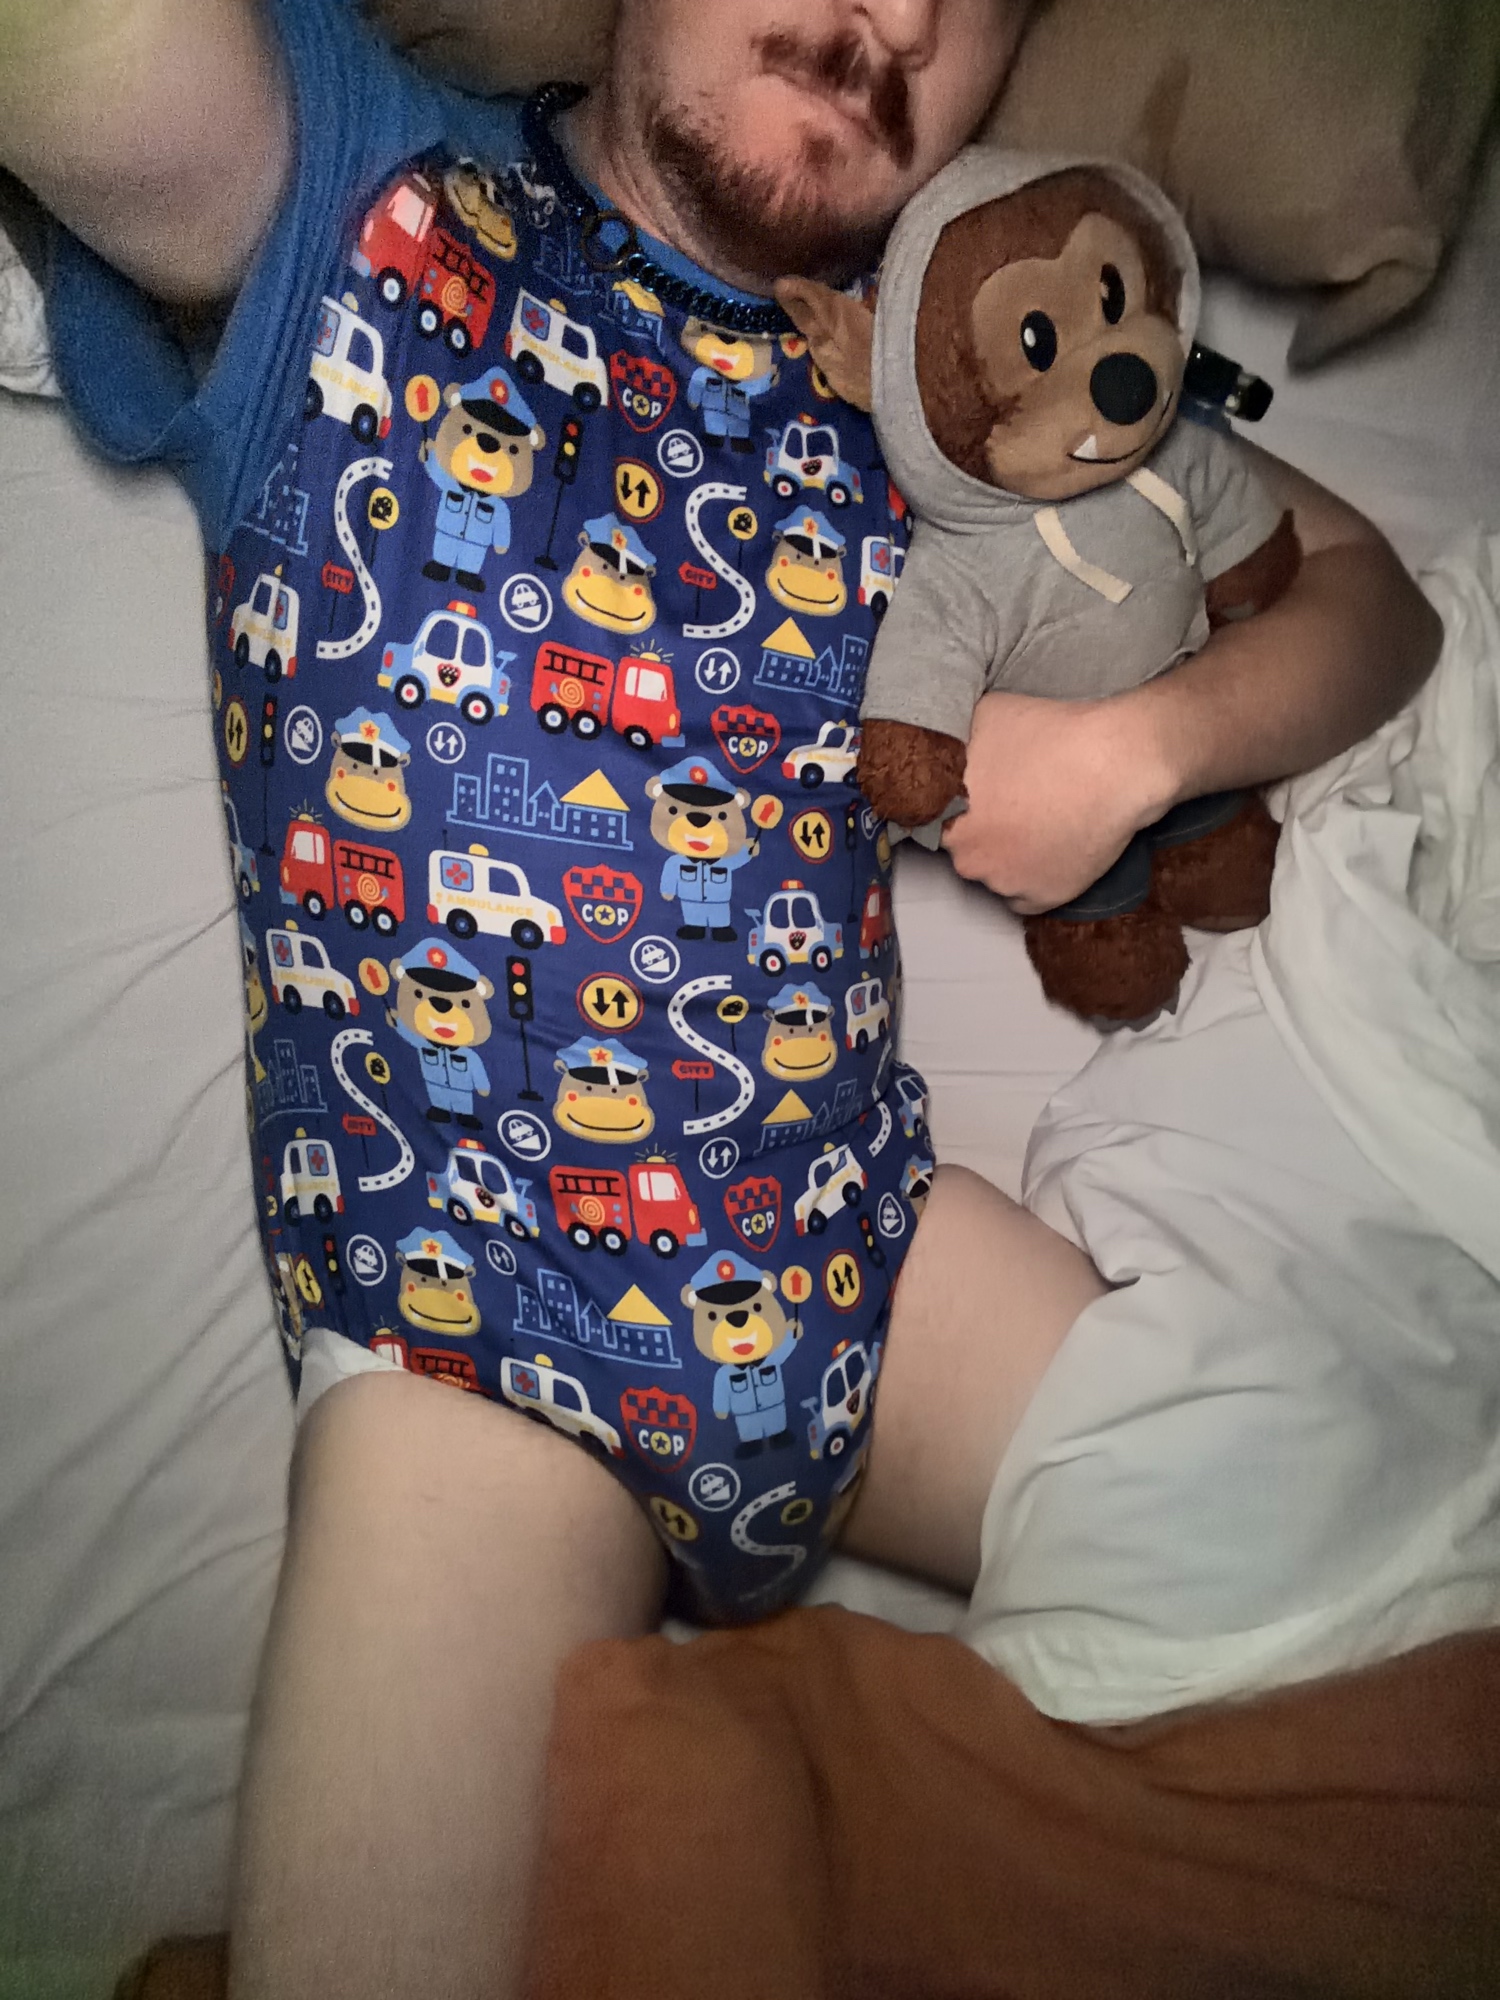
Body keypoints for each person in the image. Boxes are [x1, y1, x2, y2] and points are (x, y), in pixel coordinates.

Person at [0, 1, 1441, 1995]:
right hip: (472, 1339)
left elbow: (1369, 605)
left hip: (862, 1261)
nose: (901, 19)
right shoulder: (363, 199)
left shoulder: (959, 372)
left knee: (1388, 1579)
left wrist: (1138, 752)